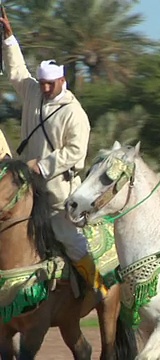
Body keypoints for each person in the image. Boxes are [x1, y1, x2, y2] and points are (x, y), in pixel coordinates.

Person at [0, 10, 107, 300]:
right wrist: (9, 39)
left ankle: (96, 286)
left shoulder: (74, 113)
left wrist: (41, 165)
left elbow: (75, 152)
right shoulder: (33, 92)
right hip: (26, 189)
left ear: (62, 81)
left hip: (58, 192)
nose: (45, 88)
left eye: (50, 84)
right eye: (42, 83)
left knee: (69, 239)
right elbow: (16, 72)